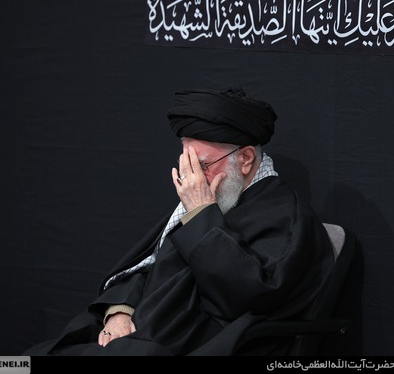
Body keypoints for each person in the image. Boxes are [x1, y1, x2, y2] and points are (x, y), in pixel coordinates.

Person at [23, 87, 334, 356]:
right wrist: (120, 312)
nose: (190, 178)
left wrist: (201, 215)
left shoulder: (283, 213)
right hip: (132, 338)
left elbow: (249, 297)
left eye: (202, 165)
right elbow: (150, 266)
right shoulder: (217, 197)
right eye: (186, 164)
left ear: (246, 158)